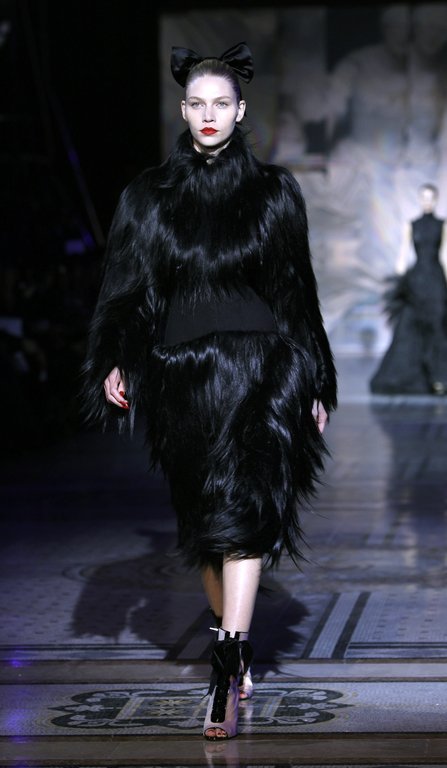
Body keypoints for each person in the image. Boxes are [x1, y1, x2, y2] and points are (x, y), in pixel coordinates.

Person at [81, 42, 337, 740]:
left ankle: (225, 664)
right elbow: (128, 289)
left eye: (221, 103)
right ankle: (236, 644)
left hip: (261, 370)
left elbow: (295, 292)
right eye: (197, 103)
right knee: (203, 524)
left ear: (241, 109)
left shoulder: (273, 193)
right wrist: (116, 358)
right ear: (183, 109)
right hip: (182, 378)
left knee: (247, 511)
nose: (208, 115)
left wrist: (315, 380)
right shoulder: (149, 197)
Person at [370, 182, 447, 394]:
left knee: (438, 324)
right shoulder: (411, 225)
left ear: (436, 200)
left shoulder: (442, 225)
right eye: (424, 197)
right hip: (417, 279)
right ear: (419, 199)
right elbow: (403, 254)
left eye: (430, 198)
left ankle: (439, 377)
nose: (427, 201)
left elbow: (445, 254)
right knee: (412, 325)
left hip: (436, 278)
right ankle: (419, 375)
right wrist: (400, 279)